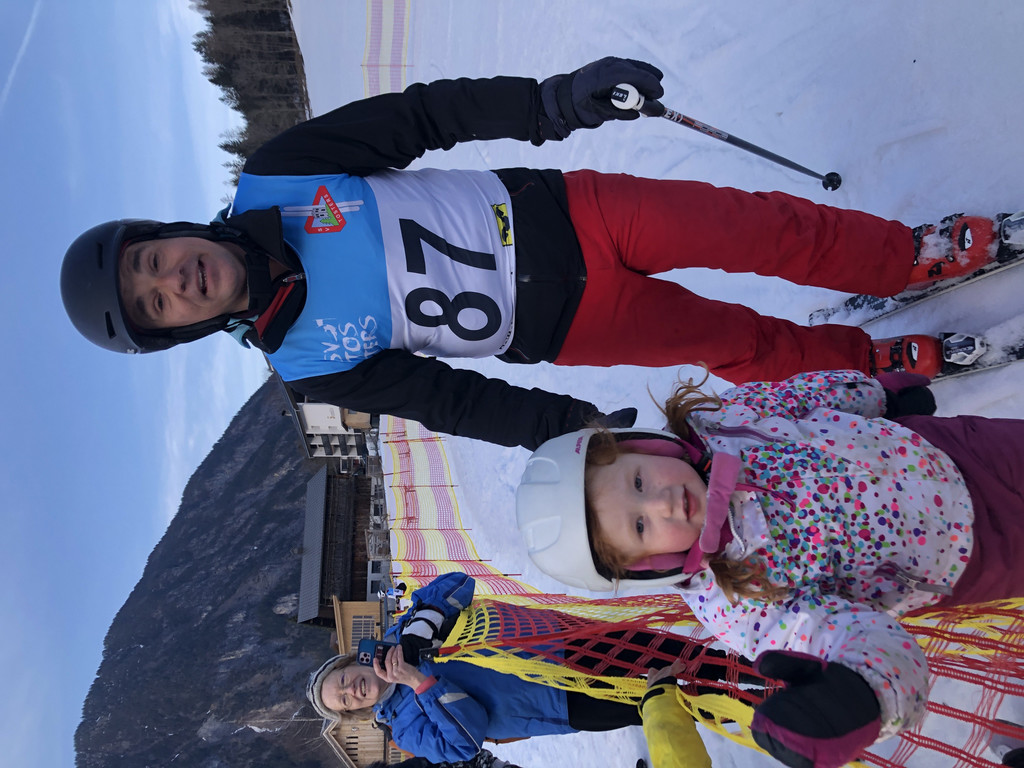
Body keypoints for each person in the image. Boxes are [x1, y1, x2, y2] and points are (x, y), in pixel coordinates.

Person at [60, 56, 1014, 450]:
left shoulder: (278, 177)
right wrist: (569, 430)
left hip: (574, 213)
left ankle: (905, 260)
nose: (172, 280)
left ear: (161, 233)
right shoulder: (308, 362)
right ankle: (868, 364)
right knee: (737, 345)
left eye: (150, 260)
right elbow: (449, 399)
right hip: (572, 323)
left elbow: (422, 118)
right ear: (179, 329)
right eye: (157, 305)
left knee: (763, 230)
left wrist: (552, 103)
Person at [515, 368, 1024, 768]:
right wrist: (858, 693)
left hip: (949, 447)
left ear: (641, 446)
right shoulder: (742, 602)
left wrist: (876, 395)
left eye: (639, 482)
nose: (662, 503)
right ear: (649, 565)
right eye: (641, 526)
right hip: (971, 552)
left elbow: (801, 397)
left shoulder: (717, 421)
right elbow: (840, 635)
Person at [306, 571, 645, 764]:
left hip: (556, 639)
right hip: (556, 702)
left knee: (661, 652)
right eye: (345, 701)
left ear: (351, 663)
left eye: (343, 680)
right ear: (355, 710)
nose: (351, 691)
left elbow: (459, 583)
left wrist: (421, 627)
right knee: (655, 704)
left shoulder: (400, 633)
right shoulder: (405, 730)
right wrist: (420, 683)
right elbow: (465, 741)